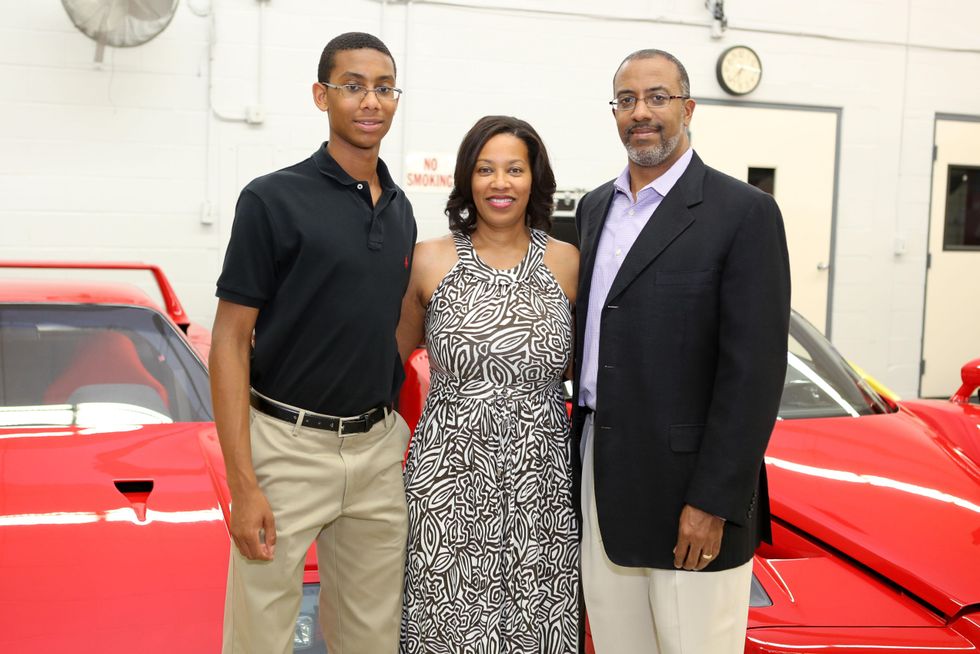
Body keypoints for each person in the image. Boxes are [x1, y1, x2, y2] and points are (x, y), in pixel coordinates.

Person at [573, 49, 791, 653]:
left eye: (657, 98)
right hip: (601, 472)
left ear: (688, 108)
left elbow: (753, 373)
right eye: (626, 100)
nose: (640, 113)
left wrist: (713, 500)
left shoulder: (743, 213)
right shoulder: (595, 209)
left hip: (688, 490)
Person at [210, 32, 416, 654]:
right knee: (259, 635)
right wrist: (244, 483)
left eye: (383, 88)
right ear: (322, 95)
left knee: (371, 636)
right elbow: (228, 341)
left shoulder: (401, 207)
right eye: (353, 86)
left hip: (377, 450)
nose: (370, 101)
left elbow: (396, 326)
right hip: (286, 446)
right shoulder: (272, 199)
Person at [396, 115, 580, 653]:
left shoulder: (567, 262)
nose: (501, 183)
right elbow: (387, 359)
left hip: (541, 484)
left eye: (514, 170)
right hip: (447, 481)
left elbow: (589, 369)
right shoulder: (431, 259)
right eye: (486, 170)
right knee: (446, 629)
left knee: (536, 626)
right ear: (466, 180)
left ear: (534, 179)